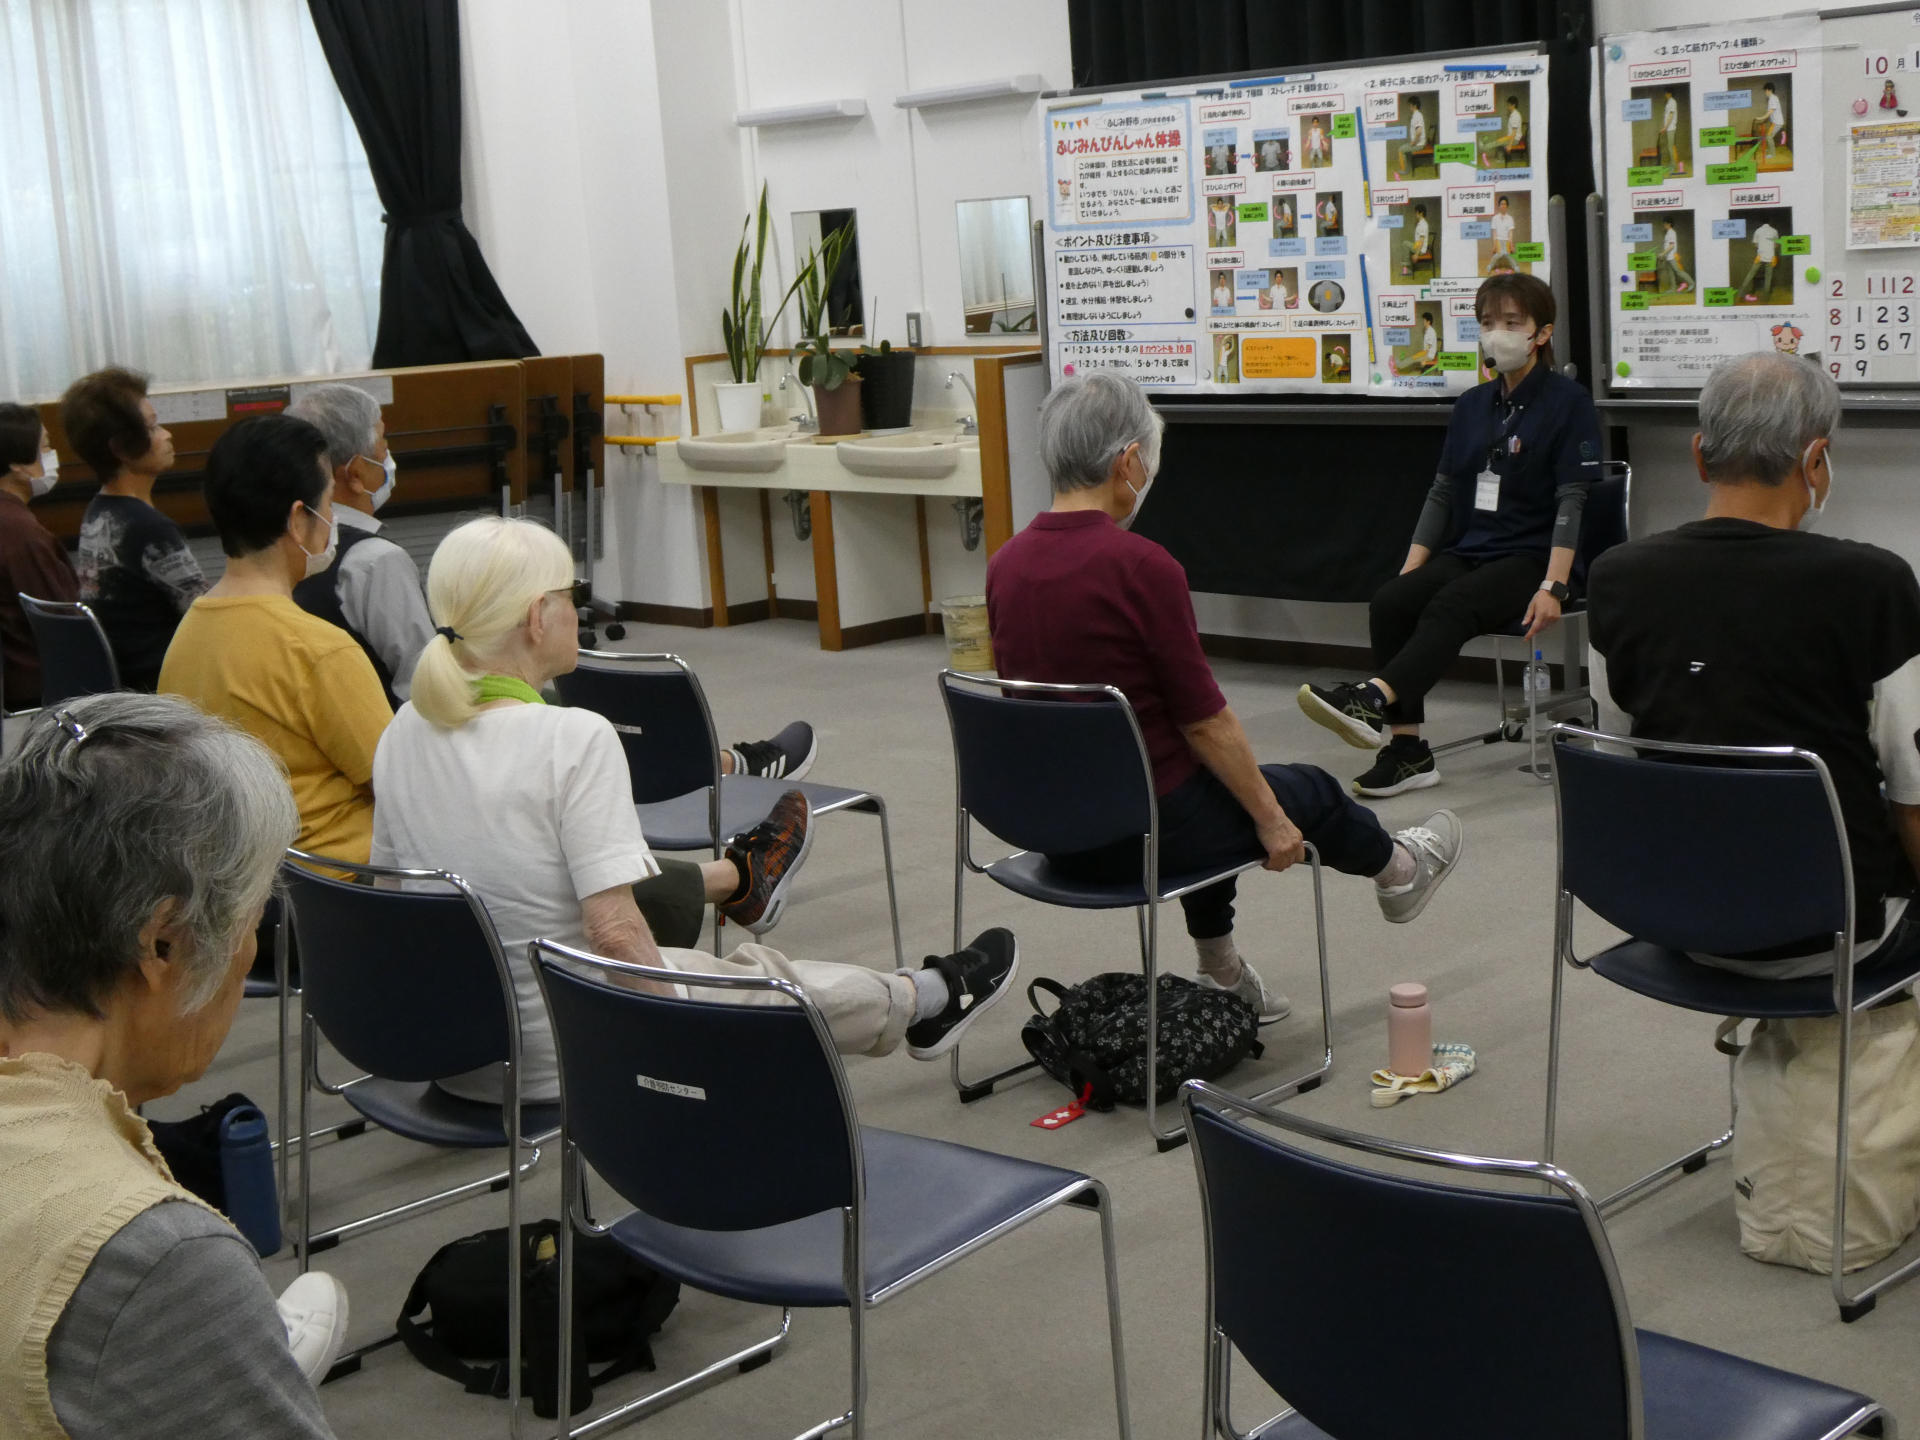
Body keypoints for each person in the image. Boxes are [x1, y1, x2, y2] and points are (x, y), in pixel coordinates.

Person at [370, 517, 1018, 1106]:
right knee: (765, 981)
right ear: (539, 616)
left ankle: (917, 992)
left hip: (459, 1053)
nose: (577, 609)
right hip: (569, 1044)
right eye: (571, 594)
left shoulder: (403, 730)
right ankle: (926, 997)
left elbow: (396, 904)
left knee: (719, 971)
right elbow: (615, 934)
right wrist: (671, 1052)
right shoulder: (571, 737)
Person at [985, 372, 1463, 1022]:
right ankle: (1401, 870)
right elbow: (1205, 724)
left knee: (1210, 787)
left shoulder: (1005, 565)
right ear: (1128, 460)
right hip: (1145, 834)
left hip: (1053, 830)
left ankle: (1222, 970)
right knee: (1302, 791)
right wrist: (1272, 819)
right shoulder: (1142, 567)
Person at [0, 693, 347, 1439]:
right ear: (163, 943)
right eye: (251, 921)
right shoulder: (150, 1257)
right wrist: (185, 1310)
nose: (248, 950)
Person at [1587, 352, 1920, 979]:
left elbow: (1617, 758)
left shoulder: (1615, 578)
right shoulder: (1874, 584)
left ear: (1699, 455)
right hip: (1836, 932)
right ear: (1815, 460)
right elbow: (1913, 797)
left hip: (1675, 913)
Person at [1300, 272, 1601, 796]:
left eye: (1511, 322)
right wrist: (1412, 566)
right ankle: (1408, 752)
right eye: (1487, 322)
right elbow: (1442, 491)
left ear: (1542, 333)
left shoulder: (1568, 402)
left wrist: (1554, 585)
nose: (1496, 333)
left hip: (1532, 558)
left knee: (1453, 605)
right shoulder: (1472, 405)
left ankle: (1371, 698)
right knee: (1393, 601)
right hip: (1474, 548)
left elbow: (1572, 498)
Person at [159, 414, 390, 866]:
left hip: (244, 875)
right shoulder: (318, 649)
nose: (332, 520)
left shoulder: (187, 635)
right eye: (329, 503)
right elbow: (396, 786)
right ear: (299, 519)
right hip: (341, 880)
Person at [285, 383, 434, 708]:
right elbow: (424, 684)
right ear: (355, 474)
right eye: (383, 445)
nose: (388, 457)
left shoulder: (279, 545)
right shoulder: (376, 562)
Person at [63, 368, 207, 691]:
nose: (167, 435)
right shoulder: (150, 528)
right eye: (153, 428)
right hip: (162, 686)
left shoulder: (97, 511)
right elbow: (204, 616)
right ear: (122, 449)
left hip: (122, 684)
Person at [0, 403, 77, 709]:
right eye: (44, 447)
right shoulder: (22, 534)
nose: (51, 455)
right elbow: (63, 622)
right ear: (18, 464)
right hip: (41, 692)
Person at [1739, 220, 1780, 302]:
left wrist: (1762, 247)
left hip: (1760, 257)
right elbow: (1776, 245)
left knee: (1750, 275)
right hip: (1771, 257)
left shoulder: (1758, 230)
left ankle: (1740, 293)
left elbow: (1755, 244)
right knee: (1768, 278)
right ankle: (1766, 299)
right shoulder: (1774, 231)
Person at [1657, 218, 1694, 295]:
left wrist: (1663, 253)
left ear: (1669, 224)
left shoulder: (1672, 233)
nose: (1663, 225)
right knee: (1671, 274)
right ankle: (1672, 289)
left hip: (1672, 257)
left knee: (1679, 272)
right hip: (1668, 257)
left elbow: (1671, 245)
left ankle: (1692, 283)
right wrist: (1665, 255)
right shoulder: (1668, 233)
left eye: (1665, 223)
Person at [1396, 101, 1428, 179]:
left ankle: (1403, 170)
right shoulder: (1416, 115)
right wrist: (1413, 142)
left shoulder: (1417, 115)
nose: (1409, 107)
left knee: (1400, 150)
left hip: (1419, 144)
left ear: (1414, 105)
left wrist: (1414, 142)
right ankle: (1408, 168)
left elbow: (1419, 131)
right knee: (1406, 149)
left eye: (1410, 105)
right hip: (1418, 143)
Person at [1658, 90, 1682, 173]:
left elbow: (1671, 116)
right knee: (1670, 147)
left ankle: (1674, 165)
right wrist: (1665, 128)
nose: (1665, 95)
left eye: (1666, 93)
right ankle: (1672, 163)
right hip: (1669, 128)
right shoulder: (1669, 102)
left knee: (1671, 147)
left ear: (1670, 94)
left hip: (1671, 128)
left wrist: (1665, 127)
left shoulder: (1672, 102)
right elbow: (1668, 116)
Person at [1489, 195, 1517, 263]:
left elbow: (1510, 233)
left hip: (1506, 241)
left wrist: (1511, 244)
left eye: (1505, 204)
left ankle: (1516, 268)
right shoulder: (1495, 218)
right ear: (1499, 206)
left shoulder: (1510, 218)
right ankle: (1490, 266)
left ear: (1507, 206)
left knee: (1508, 255)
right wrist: (1495, 244)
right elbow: (1494, 232)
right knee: (1499, 254)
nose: (1503, 206)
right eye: (1502, 204)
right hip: (1498, 240)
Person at [1761, 81, 1785, 157]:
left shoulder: (1773, 99)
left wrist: (1761, 118)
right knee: (1768, 136)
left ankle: (1772, 154)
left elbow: (1770, 112)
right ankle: (1770, 149)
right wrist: (1765, 120)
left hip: (1777, 122)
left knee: (1769, 137)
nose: (1765, 92)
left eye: (1766, 90)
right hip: (1775, 122)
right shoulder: (1771, 99)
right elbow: (1771, 114)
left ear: (1770, 90)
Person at [1409, 204, 1433, 276]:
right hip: (1418, 247)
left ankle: (1407, 268)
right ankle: (1409, 268)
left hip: (1421, 250)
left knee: (1405, 244)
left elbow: (1421, 241)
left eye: (1416, 212)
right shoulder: (1421, 223)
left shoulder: (1423, 224)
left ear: (1421, 213)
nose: (1415, 214)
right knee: (1407, 244)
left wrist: (1416, 254)